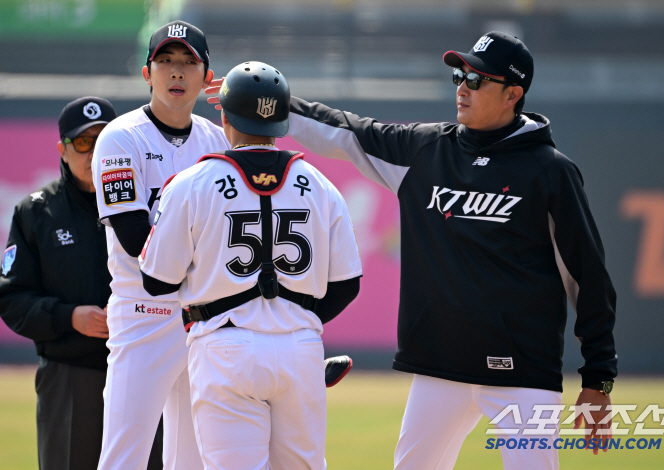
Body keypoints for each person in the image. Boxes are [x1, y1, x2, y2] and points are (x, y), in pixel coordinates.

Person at [209, 31, 617, 469]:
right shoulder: (425, 150)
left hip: (523, 372)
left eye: (477, 80)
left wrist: (598, 377)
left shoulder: (550, 172)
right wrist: (265, 103)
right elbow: (347, 131)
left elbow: (588, 275)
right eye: (460, 75)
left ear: (512, 94)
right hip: (440, 367)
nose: (462, 86)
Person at [139, 61, 362, 470]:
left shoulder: (191, 183)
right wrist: (291, 320)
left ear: (223, 115)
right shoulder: (321, 185)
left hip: (224, 348)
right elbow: (348, 285)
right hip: (300, 350)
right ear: (281, 120)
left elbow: (155, 280)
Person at [91, 20, 228, 470]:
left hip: (199, 319)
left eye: (189, 62)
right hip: (143, 315)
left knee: (192, 459)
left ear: (207, 77)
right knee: (123, 456)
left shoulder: (217, 140)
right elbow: (134, 240)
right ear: (146, 72)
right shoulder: (120, 136)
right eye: (165, 61)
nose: (176, 72)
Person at [0, 97, 163, 470]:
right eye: (82, 142)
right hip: (72, 374)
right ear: (63, 148)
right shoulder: (37, 211)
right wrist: (68, 317)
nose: (92, 152)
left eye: (103, 139)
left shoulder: (149, 202)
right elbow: (11, 297)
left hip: (146, 369)